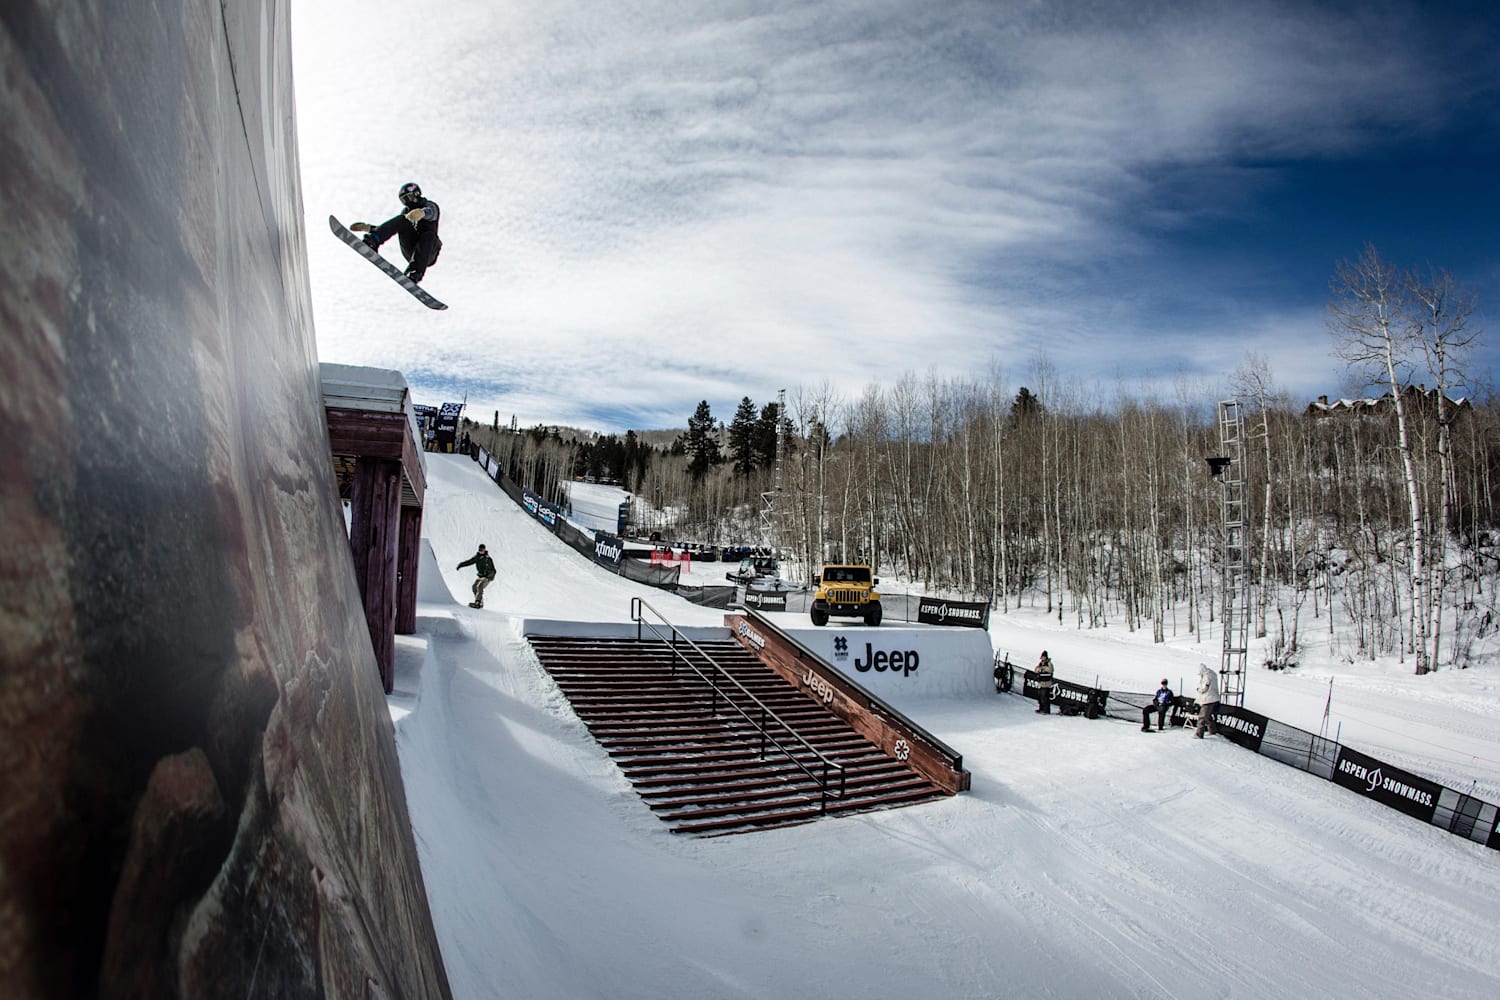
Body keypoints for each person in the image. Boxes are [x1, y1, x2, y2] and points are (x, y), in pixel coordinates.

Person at [350, 182, 442, 283]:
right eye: (403, 200)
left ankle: (415, 272)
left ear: (416, 195)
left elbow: (431, 212)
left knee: (428, 235)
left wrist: (422, 212)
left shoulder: (430, 205)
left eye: (407, 198)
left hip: (428, 252)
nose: (406, 203)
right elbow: (390, 227)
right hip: (411, 251)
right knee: (402, 220)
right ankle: (374, 240)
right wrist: (367, 228)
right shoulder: (406, 213)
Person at [457, 543, 496, 609]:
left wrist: (488, 576)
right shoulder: (477, 557)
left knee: (480, 586)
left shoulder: (488, 559)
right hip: (481, 576)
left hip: (488, 577)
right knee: (474, 586)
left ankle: (478, 602)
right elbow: (470, 561)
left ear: (484, 550)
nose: (481, 551)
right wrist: (461, 565)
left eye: (482, 550)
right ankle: (480, 601)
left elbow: (493, 570)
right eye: (480, 550)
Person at [1193, 663, 1220, 738]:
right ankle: (1212, 730)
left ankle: (1199, 734)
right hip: (1213, 698)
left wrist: (1199, 690)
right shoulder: (1212, 674)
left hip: (1208, 699)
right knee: (1207, 717)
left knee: (1202, 717)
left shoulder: (1207, 676)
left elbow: (1205, 688)